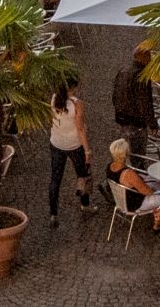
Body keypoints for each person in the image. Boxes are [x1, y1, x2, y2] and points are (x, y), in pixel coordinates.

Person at [46, 77, 93, 223]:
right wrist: (87, 150)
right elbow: (80, 128)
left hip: (57, 143)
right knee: (82, 175)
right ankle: (85, 204)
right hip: (74, 145)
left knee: (55, 178)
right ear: (72, 88)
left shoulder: (54, 99)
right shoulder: (77, 104)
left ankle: (53, 213)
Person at [106, 138, 160, 219]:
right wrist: (158, 191)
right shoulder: (129, 174)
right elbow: (148, 192)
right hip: (137, 204)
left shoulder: (110, 166)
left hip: (122, 201)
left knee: (157, 184)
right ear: (126, 154)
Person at [112, 44, 155, 157]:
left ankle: (124, 170)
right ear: (144, 58)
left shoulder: (123, 70)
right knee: (138, 154)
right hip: (136, 121)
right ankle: (136, 172)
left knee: (123, 150)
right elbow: (144, 102)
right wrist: (152, 124)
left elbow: (115, 94)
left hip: (121, 118)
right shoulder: (142, 76)